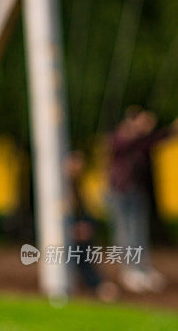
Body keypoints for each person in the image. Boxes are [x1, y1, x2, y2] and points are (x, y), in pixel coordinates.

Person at [107, 106, 178, 293]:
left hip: (137, 191)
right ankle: (129, 271)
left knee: (139, 233)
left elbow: (153, 141)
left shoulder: (141, 140)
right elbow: (127, 145)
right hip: (120, 192)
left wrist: (171, 131)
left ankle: (142, 269)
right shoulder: (121, 137)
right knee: (126, 234)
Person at [64, 150, 118, 302]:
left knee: (86, 245)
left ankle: (94, 282)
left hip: (77, 233)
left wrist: (88, 225)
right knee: (80, 249)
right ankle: (95, 283)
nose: (78, 166)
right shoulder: (58, 188)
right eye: (75, 162)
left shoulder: (76, 186)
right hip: (67, 234)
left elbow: (84, 213)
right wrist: (72, 228)